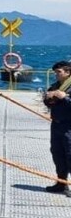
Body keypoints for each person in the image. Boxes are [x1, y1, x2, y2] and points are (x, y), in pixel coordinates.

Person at [43, 60, 71, 197]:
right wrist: (49, 98)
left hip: (69, 125)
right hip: (57, 124)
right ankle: (61, 183)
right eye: (55, 72)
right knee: (57, 153)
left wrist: (65, 98)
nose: (56, 75)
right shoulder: (55, 86)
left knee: (70, 154)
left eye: (59, 72)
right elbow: (47, 102)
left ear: (67, 72)